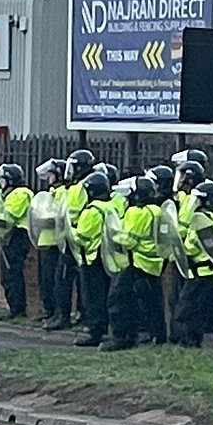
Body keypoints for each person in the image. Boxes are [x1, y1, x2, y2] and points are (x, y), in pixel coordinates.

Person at [106, 176, 168, 350]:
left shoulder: (137, 212)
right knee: (153, 303)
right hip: (153, 264)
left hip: (136, 263)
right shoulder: (157, 210)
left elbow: (128, 241)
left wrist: (113, 236)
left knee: (118, 301)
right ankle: (157, 336)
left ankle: (122, 338)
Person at [45, 149, 94, 332]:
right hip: (71, 238)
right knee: (72, 281)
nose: (69, 171)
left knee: (64, 279)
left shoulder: (81, 187)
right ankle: (74, 315)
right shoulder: (77, 186)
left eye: (72, 167)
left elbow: (73, 213)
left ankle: (64, 316)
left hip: (74, 240)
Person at [173, 181, 213, 347]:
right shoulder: (212, 218)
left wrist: (182, 250)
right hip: (207, 271)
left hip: (200, 271)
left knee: (186, 307)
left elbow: (193, 244)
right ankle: (209, 339)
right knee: (204, 308)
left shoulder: (203, 220)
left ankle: (188, 340)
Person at [72, 170, 116, 348]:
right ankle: (105, 328)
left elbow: (81, 237)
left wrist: (69, 230)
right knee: (105, 294)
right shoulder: (111, 206)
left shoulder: (91, 211)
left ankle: (95, 332)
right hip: (107, 257)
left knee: (92, 297)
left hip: (91, 259)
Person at [0, 163, 33, 321]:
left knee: (12, 273)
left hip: (16, 236)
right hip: (10, 236)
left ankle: (17, 309)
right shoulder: (13, 194)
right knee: (7, 274)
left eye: (3, 180)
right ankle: (14, 307)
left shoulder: (20, 194)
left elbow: (7, 218)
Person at [32, 159, 66, 322]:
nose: (48, 179)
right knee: (45, 279)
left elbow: (57, 216)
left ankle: (55, 311)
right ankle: (48, 309)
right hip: (44, 241)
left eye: (51, 175)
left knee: (54, 279)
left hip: (55, 242)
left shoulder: (63, 193)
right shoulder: (50, 193)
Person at [175, 160, 206, 227]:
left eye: (181, 175)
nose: (180, 180)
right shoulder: (180, 195)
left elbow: (184, 221)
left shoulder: (193, 199)